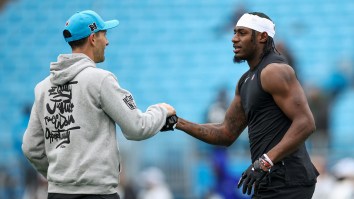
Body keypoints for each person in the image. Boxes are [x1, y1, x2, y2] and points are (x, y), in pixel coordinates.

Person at [21, 10, 175, 199]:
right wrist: (161, 111)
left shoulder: (43, 88)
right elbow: (137, 127)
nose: (107, 42)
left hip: (57, 194)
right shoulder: (100, 80)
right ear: (93, 38)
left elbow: (31, 147)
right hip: (97, 194)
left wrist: (61, 177)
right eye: (104, 34)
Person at [172, 12, 319, 198]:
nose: (234, 39)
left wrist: (264, 162)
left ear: (262, 37)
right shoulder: (245, 81)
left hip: (289, 180)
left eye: (242, 33)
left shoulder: (274, 71)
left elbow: (306, 123)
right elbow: (226, 133)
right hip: (269, 180)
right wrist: (178, 123)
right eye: (234, 33)